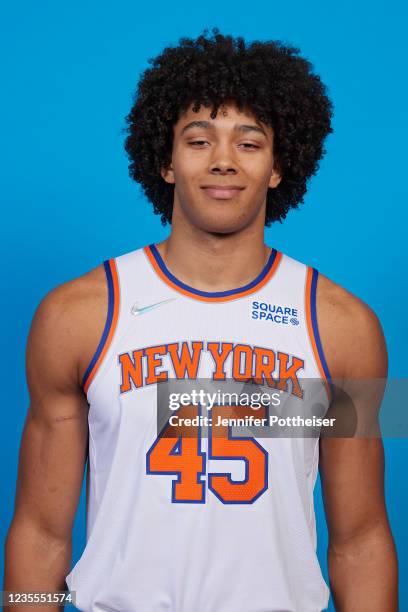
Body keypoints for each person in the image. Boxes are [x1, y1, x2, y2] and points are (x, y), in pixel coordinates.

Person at [4, 30, 398, 611]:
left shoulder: (342, 327)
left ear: (278, 166)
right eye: (198, 139)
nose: (222, 160)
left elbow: (360, 540)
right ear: (164, 161)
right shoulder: (77, 315)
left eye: (249, 142)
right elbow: (41, 531)